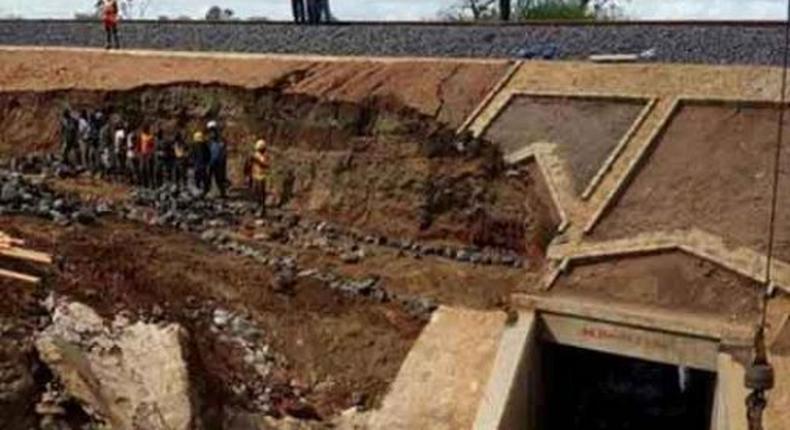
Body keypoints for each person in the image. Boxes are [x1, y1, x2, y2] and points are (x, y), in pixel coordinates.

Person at [205, 122, 228, 198]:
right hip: (211, 161)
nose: (212, 132)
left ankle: (222, 192)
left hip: (218, 161)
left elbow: (223, 151)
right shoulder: (208, 140)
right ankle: (206, 191)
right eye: (210, 130)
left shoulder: (220, 140)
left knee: (219, 178)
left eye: (213, 130)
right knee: (208, 177)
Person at [249, 139, 270, 214]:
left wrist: (258, 161)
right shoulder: (255, 154)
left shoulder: (265, 156)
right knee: (255, 193)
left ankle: (262, 209)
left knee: (261, 194)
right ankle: (256, 207)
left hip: (262, 177)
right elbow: (250, 164)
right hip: (255, 176)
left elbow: (266, 165)